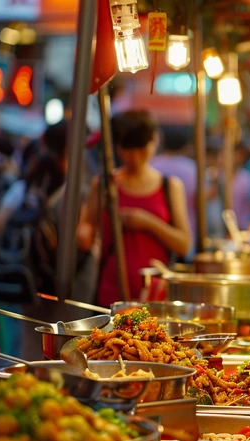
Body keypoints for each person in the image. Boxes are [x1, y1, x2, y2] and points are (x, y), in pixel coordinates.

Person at [78, 110, 191, 305]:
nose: (136, 157)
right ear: (116, 147)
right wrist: (84, 231)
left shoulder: (169, 187)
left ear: (154, 141)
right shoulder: (105, 184)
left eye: (141, 148)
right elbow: (86, 232)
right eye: (128, 149)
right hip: (111, 290)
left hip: (155, 294)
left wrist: (147, 222)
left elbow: (184, 245)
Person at [152, 125, 197, 256]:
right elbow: (198, 200)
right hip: (187, 229)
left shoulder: (153, 164)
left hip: (158, 238)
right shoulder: (191, 168)